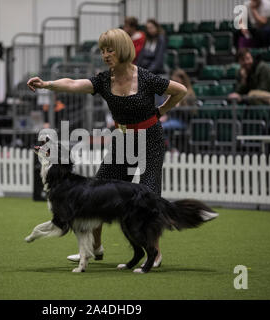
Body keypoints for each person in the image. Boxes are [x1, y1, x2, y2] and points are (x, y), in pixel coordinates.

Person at [27, 28, 187, 268]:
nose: (105, 54)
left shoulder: (145, 78)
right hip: (122, 139)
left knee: (148, 195)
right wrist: (47, 84)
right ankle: (95, 248)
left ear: (122, 49)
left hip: (150, 138)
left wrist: (161, 111)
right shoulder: (103, 80)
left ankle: (154, 252)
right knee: (97, 194)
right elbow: (73, 83)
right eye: (102, 50)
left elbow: (180, 91)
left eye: (109, 49)